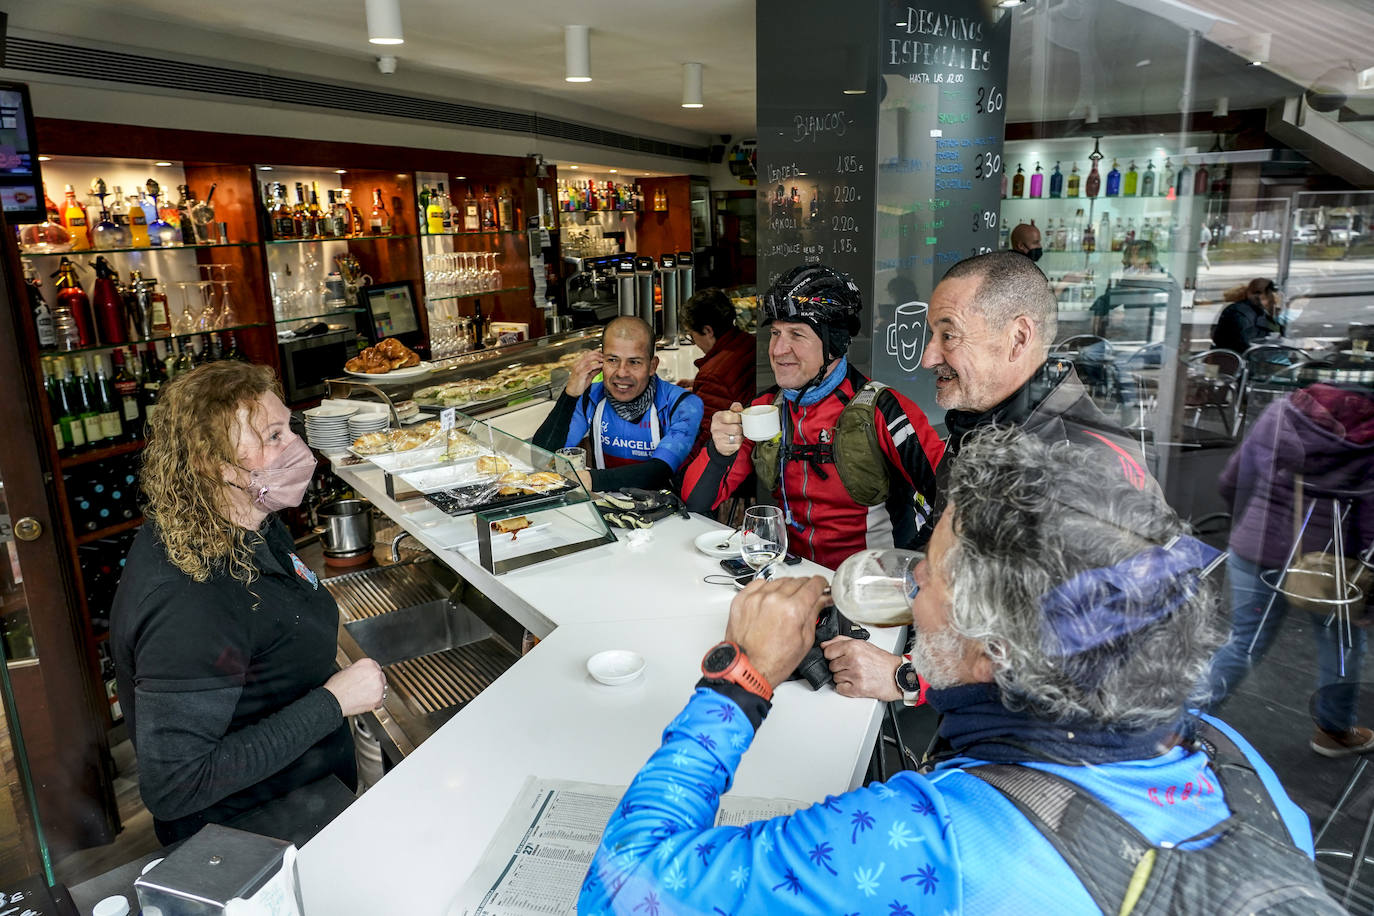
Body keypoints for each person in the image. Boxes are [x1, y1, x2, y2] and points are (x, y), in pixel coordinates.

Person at [581, 428, 1331, 915]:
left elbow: (621, 889)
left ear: (994, 645)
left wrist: (739, 679)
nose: (909, 588)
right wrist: (915, 679)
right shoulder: (1235, 760)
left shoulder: (934, 840)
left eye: (930, 577)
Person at [826, 250, 1149, 701]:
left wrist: (909, 679)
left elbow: (1095, 652)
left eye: (949, 335)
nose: (926, 357)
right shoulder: (983, 423)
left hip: (1030, 752)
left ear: (1018, 338)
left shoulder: (1079, 465)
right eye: (930, 334)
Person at [111, 362, 385, 844]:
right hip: (254, 839)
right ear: (215, 464)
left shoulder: (249, 521)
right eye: (272, 436)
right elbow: (177, 783)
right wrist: (333, 702)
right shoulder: (188, 602)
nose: (296, 447)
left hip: (309, 803)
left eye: (287, 428)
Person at [681, 264, 943, 568]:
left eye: (797, 334)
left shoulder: (883, 410)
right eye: (776, 332)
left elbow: (952, 503)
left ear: (834, 343)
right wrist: (718, 451)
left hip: (864, 591)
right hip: (790, 581)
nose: (778, 349)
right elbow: (696, 505)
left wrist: (905, 572)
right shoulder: (766, 408)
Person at [1203, 383, 1374, 756]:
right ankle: (1334, 731)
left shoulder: (1282, 412)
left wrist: (1249, 523)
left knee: (1243, 642)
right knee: (1341, 644)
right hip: (1329, 561)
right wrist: (1365, 584)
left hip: (1257, 544)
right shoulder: (1370, 435)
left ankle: (1187, 726)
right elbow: (1369, 518)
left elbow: (1232, 479)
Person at [532, 316, 703, 492]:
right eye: (612, 360)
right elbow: (541, 459)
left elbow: (659, 471)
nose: (622, 372)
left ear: (652, 366)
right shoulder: (591, 397)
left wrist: (592, 479)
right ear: (601, 361)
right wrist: (570, 395)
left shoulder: (684, 405)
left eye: (634, 362)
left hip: (670, 513)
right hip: (608, 509)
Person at [678, 287, 756, 455]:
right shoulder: (749, 342)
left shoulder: (713, 376)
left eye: (692, 336)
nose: (694, 343)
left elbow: (706, 442)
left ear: (707, 331)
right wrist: (699, 388)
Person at [1212, 277, 1283, 355]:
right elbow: (1247, 342)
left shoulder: (1258, 310)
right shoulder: (1239, 312)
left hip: (1246, 356)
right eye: (1258, 293)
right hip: (1234, 359)